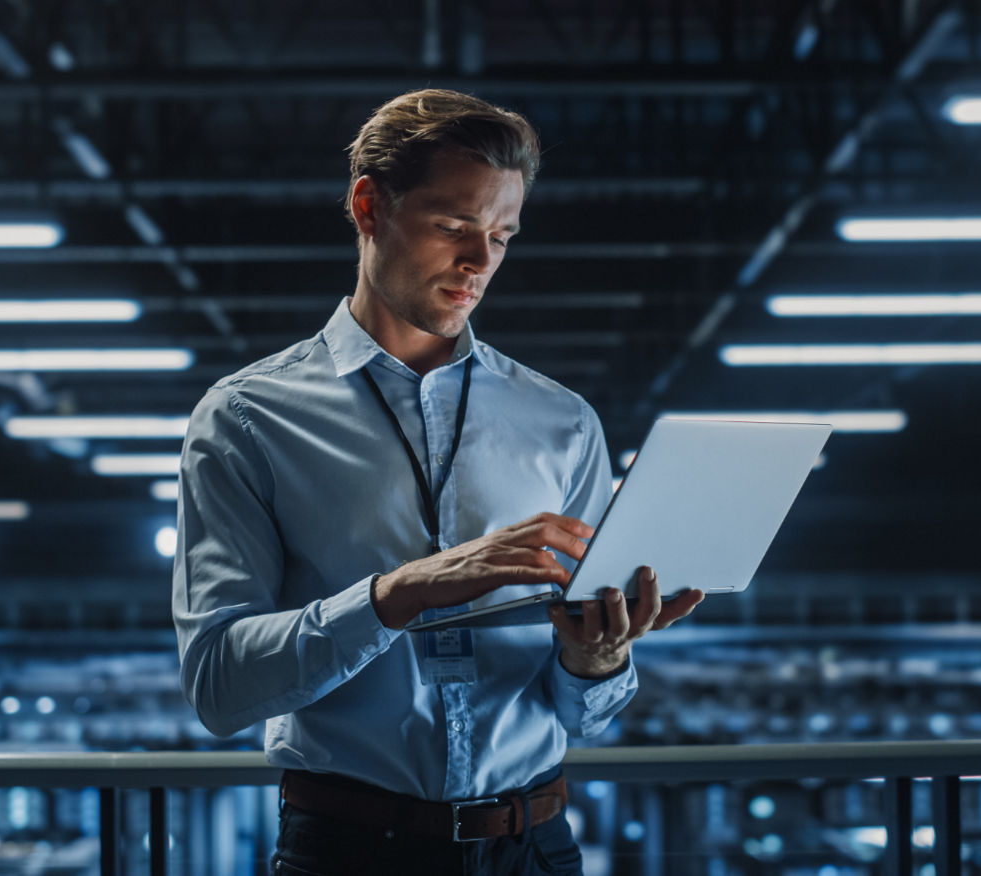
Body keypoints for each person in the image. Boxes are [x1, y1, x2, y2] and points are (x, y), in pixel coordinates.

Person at [172, 88, 704, 875]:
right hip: (347, 853)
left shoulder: (562, 421)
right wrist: (401, 593)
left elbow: (585, 712)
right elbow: (219, 684)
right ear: (368, 207)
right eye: (453, 227)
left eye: (501, 235)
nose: (480, 262)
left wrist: (597, 660)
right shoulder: (249, 418)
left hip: (535, 849)